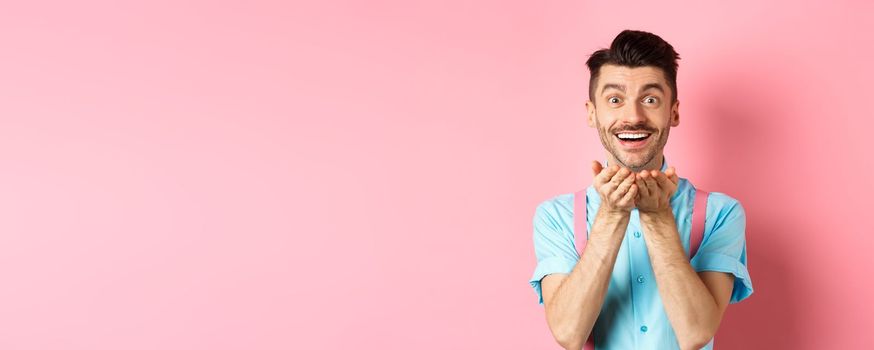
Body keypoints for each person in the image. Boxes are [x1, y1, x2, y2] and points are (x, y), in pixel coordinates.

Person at [528, 29, 753, 350]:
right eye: (615, 100)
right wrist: (611, 216)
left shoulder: (721, 213)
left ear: (673, 112)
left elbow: (696, 332)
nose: (633, 117)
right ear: (592, 113)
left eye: (650, 100)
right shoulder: (556, 216)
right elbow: (568, 333)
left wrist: (658, 217)